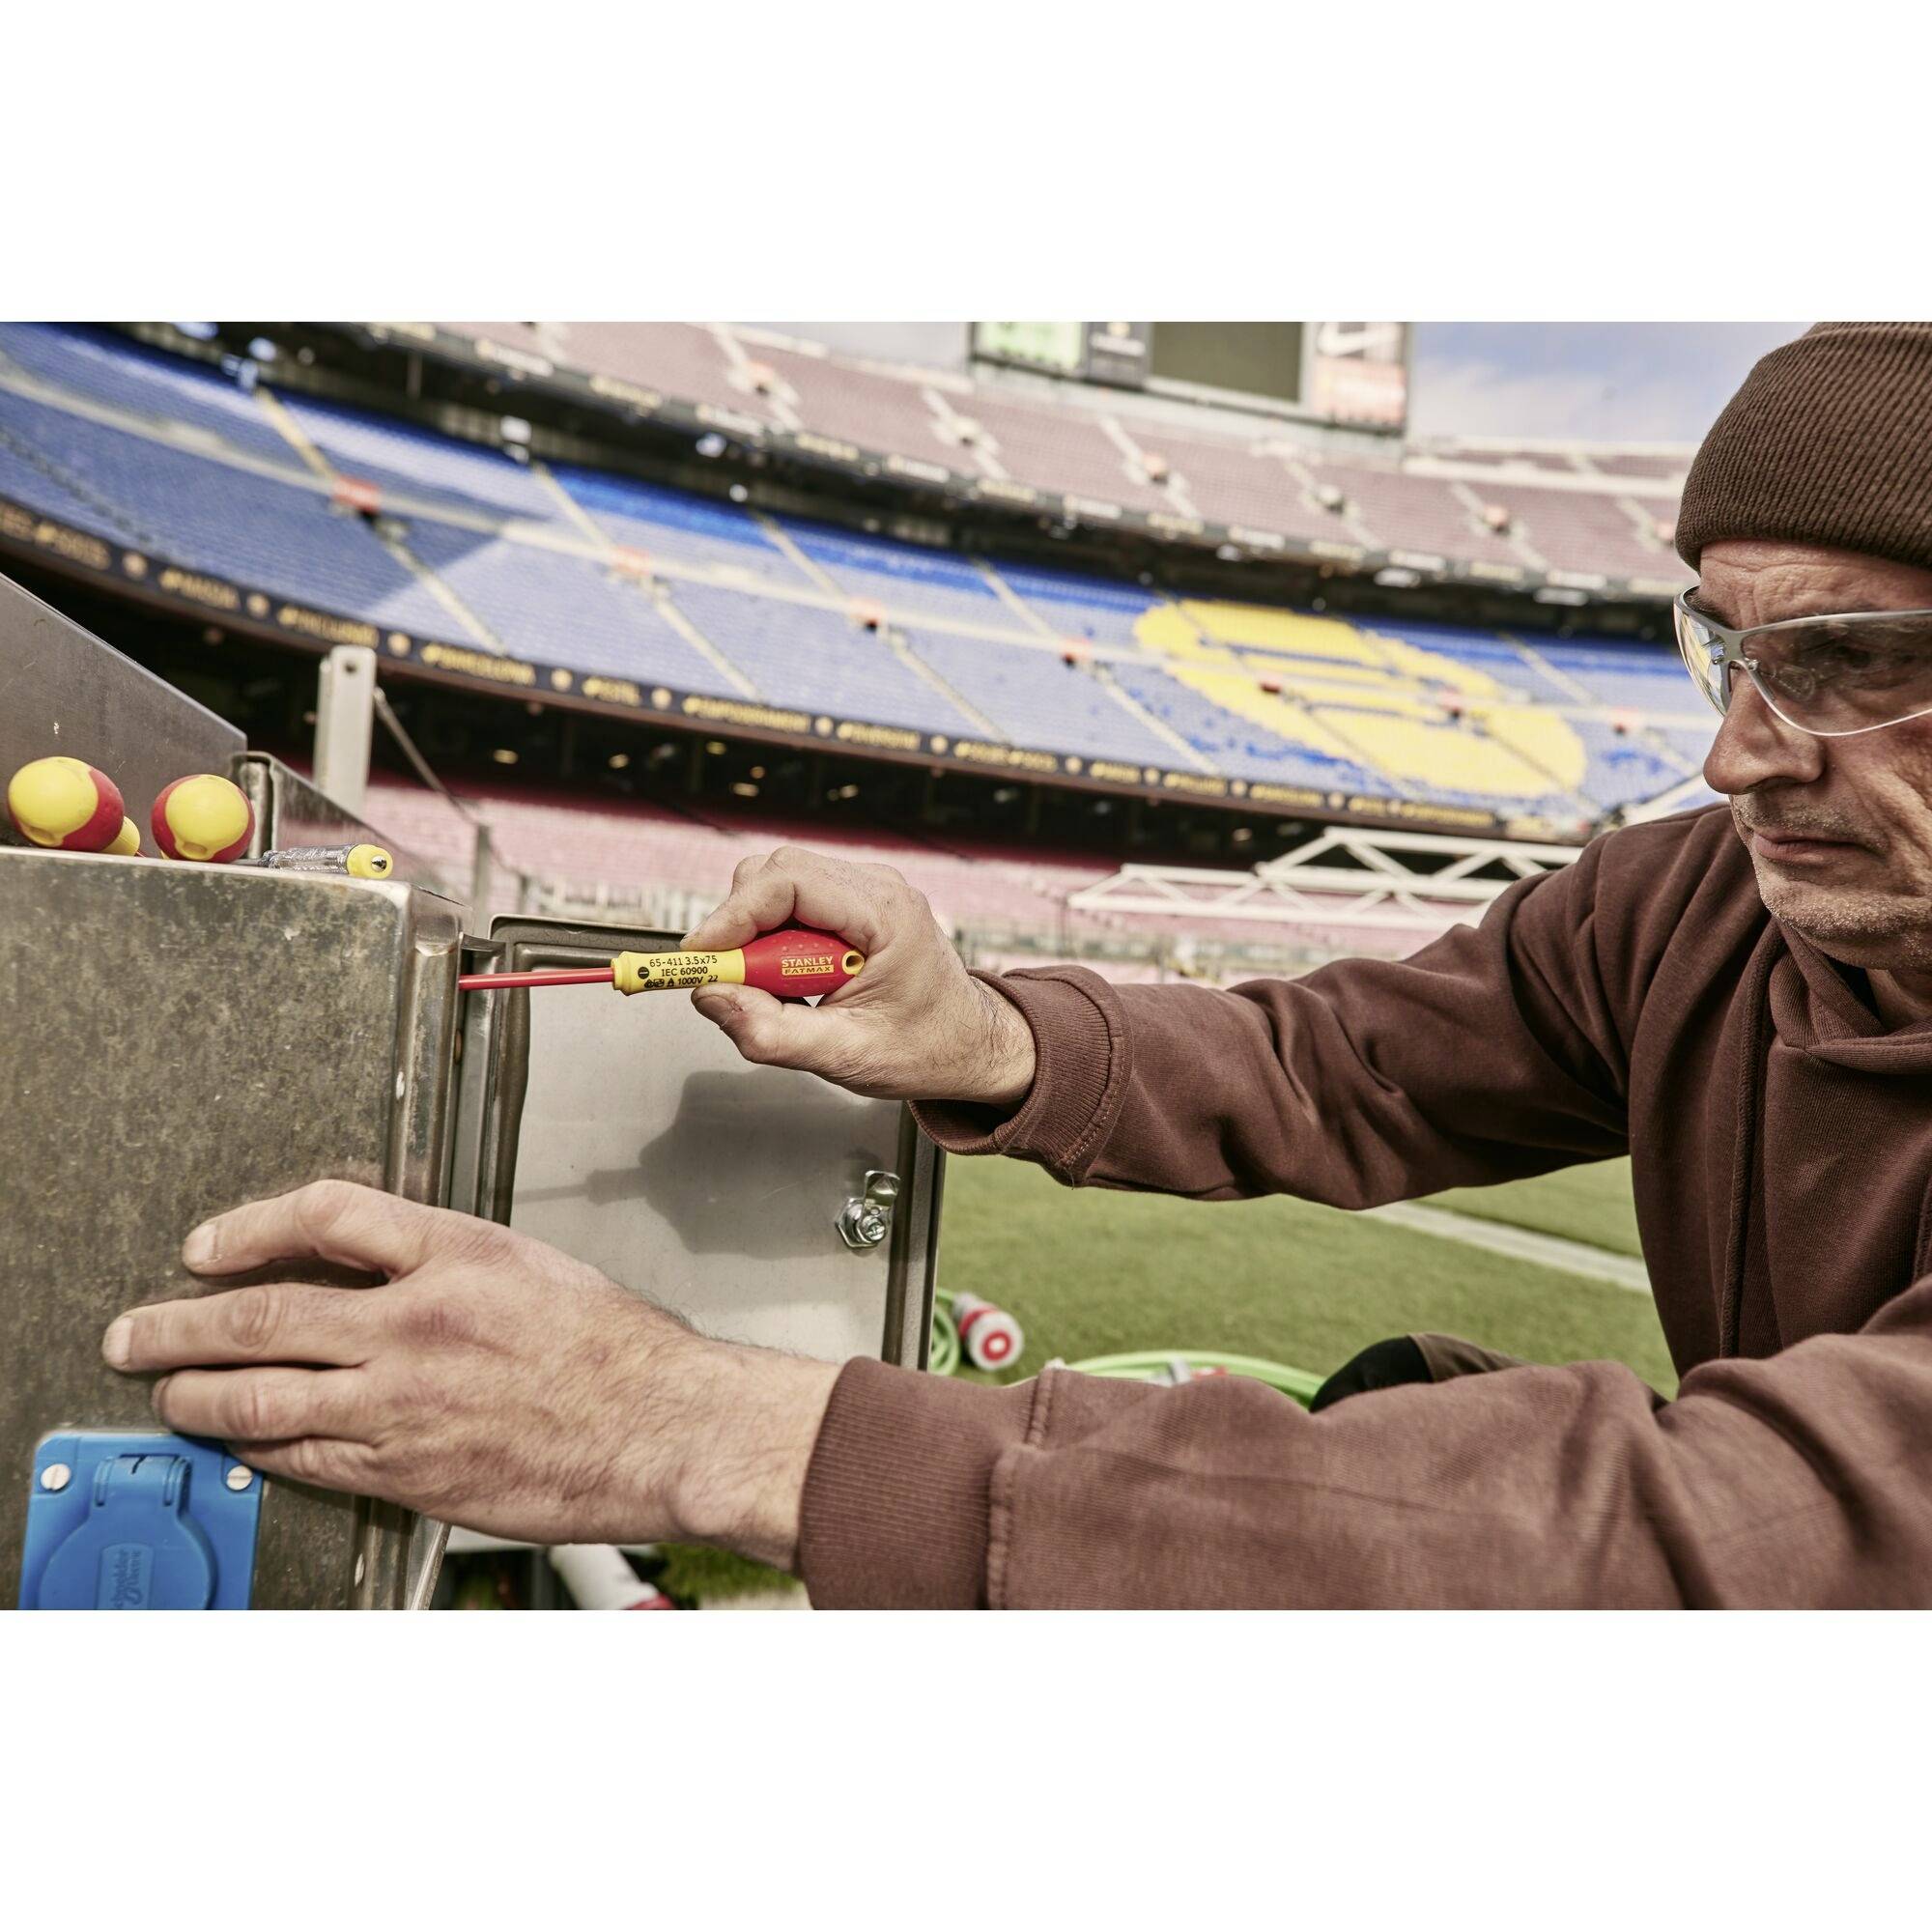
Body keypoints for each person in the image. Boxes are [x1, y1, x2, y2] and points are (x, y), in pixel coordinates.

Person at [103, 322, 1932, 1606]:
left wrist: (701, 1425)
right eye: (1727, 654)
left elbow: (1758, 1546)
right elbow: (1340, 1063)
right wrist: (980, 1033)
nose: (1739, 756)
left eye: (1845, 663)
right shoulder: (1694, 901)